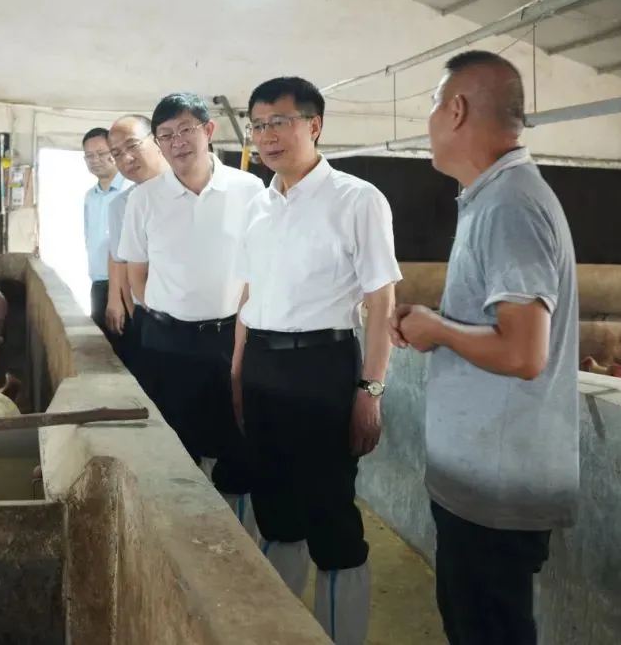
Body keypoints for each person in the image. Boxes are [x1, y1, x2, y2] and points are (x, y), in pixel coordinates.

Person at [390, 50, 579, 645]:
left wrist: (440, 330)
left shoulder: (510, 203)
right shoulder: (493, 197)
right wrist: (438, 324)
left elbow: (524, 353)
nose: (427, 122)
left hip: (498, 486)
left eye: (431, 105)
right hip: (482, 481)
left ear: (456, 110)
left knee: (488, 630)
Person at [231, 77, 401, 644]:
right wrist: (238, 372)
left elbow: (381, 302)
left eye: (280, 122)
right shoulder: (258, 205)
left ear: (314, 124)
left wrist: (369, 391)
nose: (267, 136)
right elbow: (249, 296)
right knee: (275, 511)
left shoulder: (357, 199)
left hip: (322, 368)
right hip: (262, 367)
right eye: (258, 126)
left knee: (331, 518)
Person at [118, 93, 262, 533]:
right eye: (166, 135)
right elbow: (137, 272)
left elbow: (258, 267)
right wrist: (168, 311)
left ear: (208, 130)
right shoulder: (145, 198)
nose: (177, 141)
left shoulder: (248, 189)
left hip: (230, 336)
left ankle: (234, 542)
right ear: (158, 144)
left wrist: (239, 323)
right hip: (166, 341)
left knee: (237, 444)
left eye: (186, 130)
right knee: (173, 445)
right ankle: (182, 537)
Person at [104, 114, 167, 387]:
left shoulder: (191, 189)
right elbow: (121, 262)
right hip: (152, 317)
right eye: (117, 154)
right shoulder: (120, 205)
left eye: (132, 145)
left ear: (157, 141)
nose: (126, 159)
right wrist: (132, 312)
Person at [81, 127, 129, 343]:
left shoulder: (130, 191)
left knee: (124, 348)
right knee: (103, 347)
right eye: (89, 156)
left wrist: (116, 297)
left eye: (101, 153)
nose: (95, 160)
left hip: (125, 285)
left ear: (115, 152)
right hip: (98, 283)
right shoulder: (90, 197)